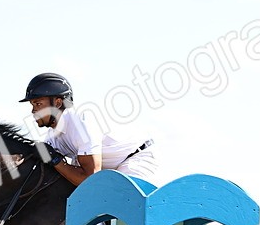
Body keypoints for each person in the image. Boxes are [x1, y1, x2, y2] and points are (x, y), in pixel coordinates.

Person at [19, 72, 157, 185]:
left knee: (121, 200)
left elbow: (91, 179)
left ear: (58, 102)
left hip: (136, 158)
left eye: (38, 104)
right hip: (107, 167)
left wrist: (56, 160)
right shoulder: (52, 137)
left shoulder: (81, 122)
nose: (33, 111)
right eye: (32, 105)